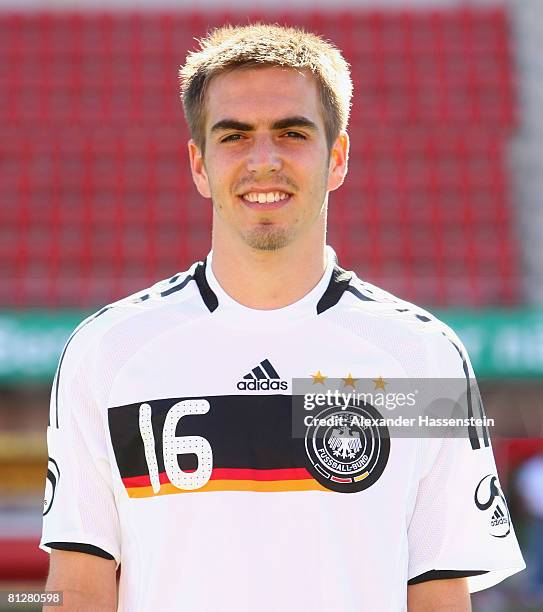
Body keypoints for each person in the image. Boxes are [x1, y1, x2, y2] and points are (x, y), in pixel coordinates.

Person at [40, 23, 524, 612]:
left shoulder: (421, 361)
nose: (263, 160)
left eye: (291, 133)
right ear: (199, 164)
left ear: (338, 156)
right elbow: (78, 590)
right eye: (235, 136)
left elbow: (438, 594)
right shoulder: (108, 351)